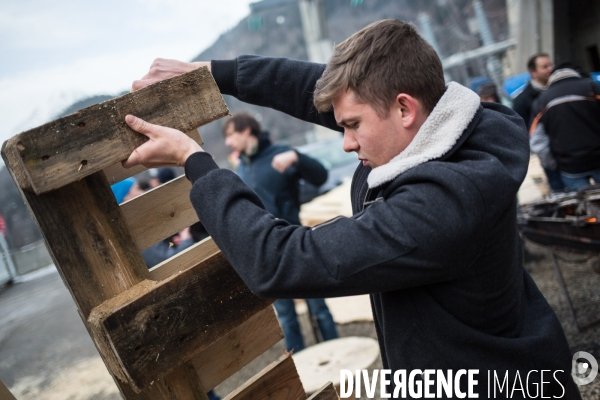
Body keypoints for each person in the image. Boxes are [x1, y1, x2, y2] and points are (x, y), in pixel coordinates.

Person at [123, 20, 580, 397]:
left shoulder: (441, 207)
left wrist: (195, 162)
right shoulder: (454, 126)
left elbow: (281, 262)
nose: (345, 143)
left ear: (405, 108)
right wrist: (213, 71)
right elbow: (322, 91)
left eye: (353, 126)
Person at [222, 112, 338, 352]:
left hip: (298, 246)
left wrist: (297, 157)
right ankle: (304, 376)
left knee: (319, 310)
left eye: (230, 135)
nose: (227, 142)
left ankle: (338, 361)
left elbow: (321, 176)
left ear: (246, 131)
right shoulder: (242, 168)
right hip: (267, 255)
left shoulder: (281, 153)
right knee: (286, 318)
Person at [530, 61, 600, 191]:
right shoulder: (592, 87)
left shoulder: (541, 101)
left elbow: (537, 141)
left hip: (570, 167)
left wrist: (554, 164)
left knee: (584, 208)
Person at [512, 53, 566, 192]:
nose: (550, 69)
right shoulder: (522, 101)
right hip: (550, 158)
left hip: (573, 152)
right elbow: (524, 132)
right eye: (544, 67)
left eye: (550, 65)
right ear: (533, 73)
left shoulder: (561, 88)